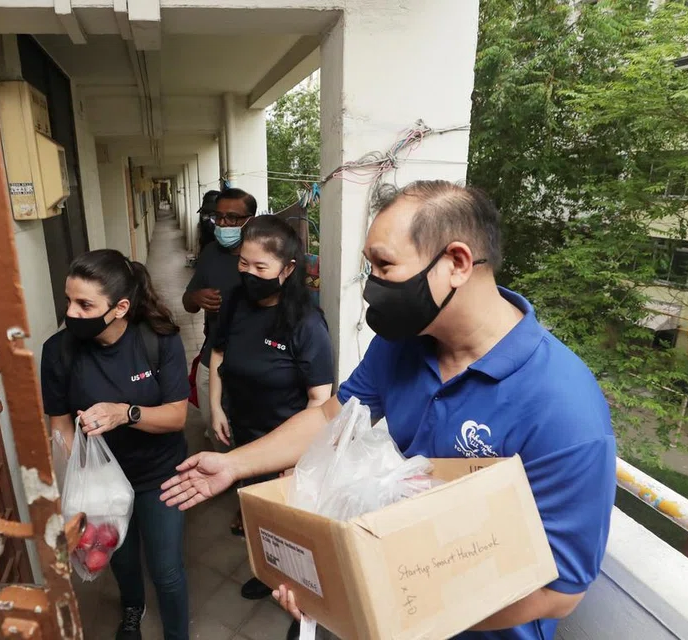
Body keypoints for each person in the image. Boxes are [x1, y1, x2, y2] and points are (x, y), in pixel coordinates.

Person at [162, 181, 617, 640]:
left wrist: (384, 612)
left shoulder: (562, 406)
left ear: (456, 263)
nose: (370, 286)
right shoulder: (403, 344)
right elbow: (330, 417)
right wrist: (233, 465)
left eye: (384, 265)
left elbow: (559, 590)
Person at [41, 249, 190, 640]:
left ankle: (178, 634)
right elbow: (59, 421)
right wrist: (81, 476)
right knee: (118, 555)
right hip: (105, 481)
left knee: (166, 568)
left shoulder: (159, 340)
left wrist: (126, 413)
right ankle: (132, 610)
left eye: (85, 305)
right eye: (69, 301)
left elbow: (176, 415)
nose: (71, 313)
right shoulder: (58, 351)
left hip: (160, 475)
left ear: (120, 307)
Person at [209, 216, 334, 599]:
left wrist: (294, 458)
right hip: (244, 432)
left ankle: (301, 596)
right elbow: (218, 353)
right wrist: (216, 406)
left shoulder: (306, 324)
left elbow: (321, 401)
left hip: (286, 446)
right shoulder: (234, 302)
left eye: (261, 267)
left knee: (291, 525)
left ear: (288, 269)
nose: (249, 274)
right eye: (244, 263)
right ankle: (268, 575)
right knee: (258, 515)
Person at [182, 188, 257, 451]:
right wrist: (196, 297)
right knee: (213, 422)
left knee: (250, 430)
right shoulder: (211, 254)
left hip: (254, 360)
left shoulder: (264, 257)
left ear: (251, 219)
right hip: (213, 353)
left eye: (233, 218)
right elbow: (187, 303)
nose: (224, 224)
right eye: (219, 217)